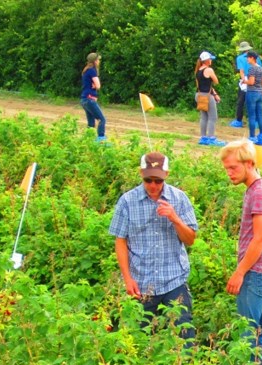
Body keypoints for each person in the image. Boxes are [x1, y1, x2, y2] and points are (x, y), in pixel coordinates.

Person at [109, 152, 198, 344]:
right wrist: (127, 279)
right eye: (148, 179)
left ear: (166, 174)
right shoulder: (127, 201)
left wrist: (175, 218)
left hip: (174, 279)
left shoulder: (179, 199)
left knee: (185, 338)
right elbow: (120, 240)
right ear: (141, 173)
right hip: (141, 283)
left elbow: (190, 239)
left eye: (157, 180)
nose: (153, 185)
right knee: (137, 340)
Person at [222, 140, 262, 365]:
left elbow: (259, 239)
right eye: (226, 168)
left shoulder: (259, 193)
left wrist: (239, 272)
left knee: (248, 331)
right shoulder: (256, 189)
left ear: (250, 164)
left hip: (256, 272)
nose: (229, 173)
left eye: (233, 168)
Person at [194, 51, 225, 146]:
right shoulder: (209, 70)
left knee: (204, 117)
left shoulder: (198, 71)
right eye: (210, 59)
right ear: (206, 60)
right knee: (213, 117)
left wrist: (215, 94)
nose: (211, 60)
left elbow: (203, 85)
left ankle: (203, 138)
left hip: (199, 95)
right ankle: (211, 138)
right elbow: (216, 81)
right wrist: (214, 94)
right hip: (207, 96)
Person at [230, 41, 262, 128]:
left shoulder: (240, 58)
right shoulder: (257, 57)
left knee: (241, 101)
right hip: (256, 80)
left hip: (246, 80)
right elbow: (260, 70)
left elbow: (242, 71)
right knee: (254, 101)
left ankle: (238, 121)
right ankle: (255, 122)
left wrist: (244, 81)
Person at [80, 52, 106, 142]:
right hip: (90, 99)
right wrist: (95, 85)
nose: (99, 61)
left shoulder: (86, 70)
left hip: (84, 99)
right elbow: (98, 85)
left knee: (91, 123)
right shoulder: (92, 71)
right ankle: (101, 140)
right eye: (98, 59)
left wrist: (94, 85)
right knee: (102, 119)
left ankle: (87, 140)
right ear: (95, 61)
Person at [245, 51, 262, 145]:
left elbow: (251, 82)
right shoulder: (261, 68)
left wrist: (244, 81)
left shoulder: (252, 69)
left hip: (252, 93)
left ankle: (252, 137)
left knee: (252, 116)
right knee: (260, 115)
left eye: (248, 57)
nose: (247, 59)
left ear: (252, 58)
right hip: (260, 93)